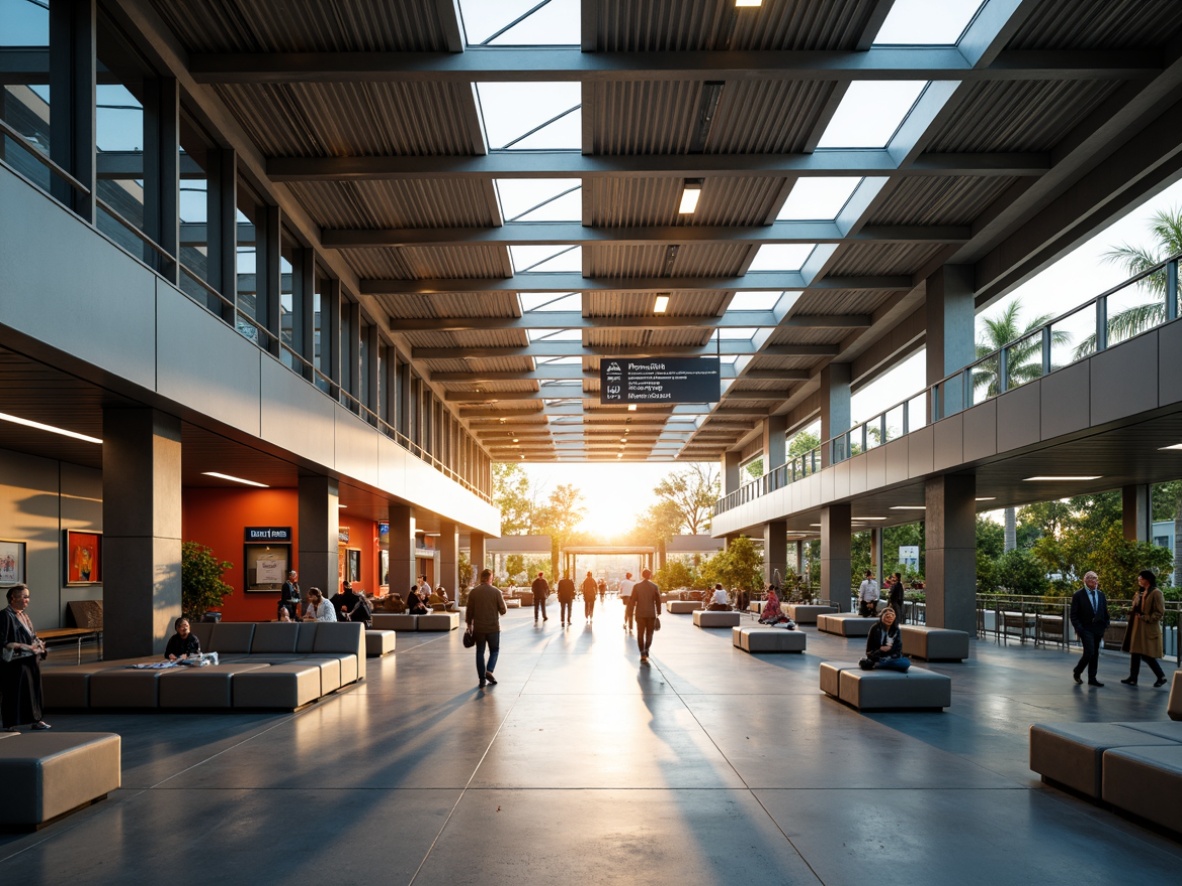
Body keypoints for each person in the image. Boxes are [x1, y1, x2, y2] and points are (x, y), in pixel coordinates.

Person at [0, 584, 50, 731]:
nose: (26, 600)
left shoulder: (24, 615)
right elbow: (3, 642)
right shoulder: (4, 616)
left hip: (30, 659)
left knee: (34, 691)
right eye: (23, 596)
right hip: (14, 662)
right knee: (14, 692)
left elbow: (31, 635)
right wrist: (26, 647)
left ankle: (36, 720)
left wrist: (38, 643)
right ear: (12, 598)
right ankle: (10, 723)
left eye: (27, 596)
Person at [1121, 570, 1168, 687]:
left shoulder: (1156, 593)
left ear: (1148, 579)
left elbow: (1159, 612)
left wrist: (1146, 618)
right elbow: (1136, 607)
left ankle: (1161, 676)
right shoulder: (1139, 593)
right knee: (1135, 652)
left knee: (1147, 654)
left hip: (1148, 628)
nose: (1139, 581)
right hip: (1137, 628)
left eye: (1140, 578)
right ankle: (1133, 678)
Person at [466, 568, 507, 688]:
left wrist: (469, 625)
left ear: (481, 578)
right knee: (494, 650)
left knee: (480, 652)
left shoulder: (474, 592)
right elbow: (503, 610)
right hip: (493, 627)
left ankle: (482, 679)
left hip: (479, 628)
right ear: (490, 578)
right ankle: (489, 670)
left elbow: (469, 611)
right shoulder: (496, 592)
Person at [1070, 570, 1110, 687]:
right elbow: (1073, 614)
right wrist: (1079, 628)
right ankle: (1078, 671)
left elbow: (1104, 611)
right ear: (1085, 580)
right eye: (1091, 578)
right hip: (1085, 628)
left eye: (1096, 578)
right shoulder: (1078, 595)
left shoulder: (1101, 595)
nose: (1094, 580)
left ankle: (1092, 678)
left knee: (1095, 653)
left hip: (1098, 628)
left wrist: (1106, 623)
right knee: (1089, 652)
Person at [859, 606, 910, 671]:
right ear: (881, 617)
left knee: (906, 663)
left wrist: (890, 650)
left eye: (892, 616)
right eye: (887, 616)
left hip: (892, 658)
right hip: (878, 657)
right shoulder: (875, 628)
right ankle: (883, 664)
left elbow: (898, 649)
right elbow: (869, 651)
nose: (889, 618)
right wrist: (880, 650)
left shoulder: (896, 630)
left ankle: (881, 664)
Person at [631, 569, 662, 663]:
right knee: (649, 633)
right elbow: (658, 600)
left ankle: (642, 653)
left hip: (640, 613)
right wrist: (659, 611)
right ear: (650, 575)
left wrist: (630, 611)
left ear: (642, 575)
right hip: (651, 614)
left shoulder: (637, 586)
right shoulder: (654, 587)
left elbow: (632, 600)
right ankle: (646, 649)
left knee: (640, 634)